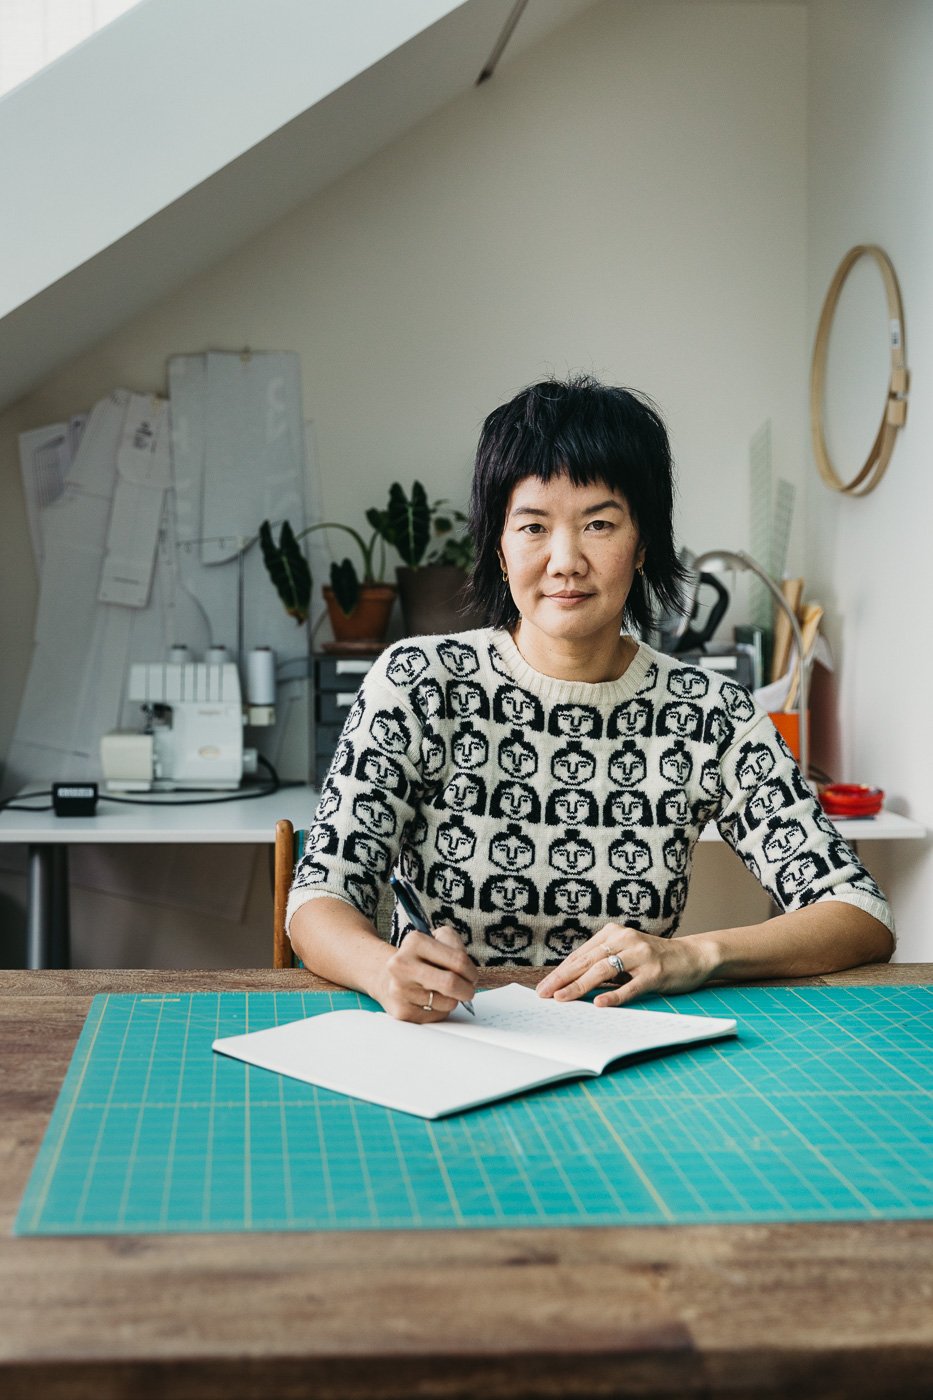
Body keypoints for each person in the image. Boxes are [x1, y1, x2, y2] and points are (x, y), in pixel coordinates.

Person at [287, 375, 894, 1020]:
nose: (565, 560)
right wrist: (383, 971)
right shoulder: (418, 683)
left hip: (630, 1046)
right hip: (452, 1035)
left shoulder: (709, 714)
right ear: (498, 547)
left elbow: (857, 911)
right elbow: (320, 897)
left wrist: (695, 954)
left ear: (643, 544)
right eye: (533, 526)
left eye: (599, 524)